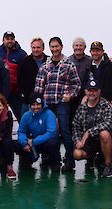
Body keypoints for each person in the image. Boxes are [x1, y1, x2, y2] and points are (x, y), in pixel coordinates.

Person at [35, 37, 81, 172]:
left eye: (57, 46)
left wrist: (70, 95)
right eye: (52, 47)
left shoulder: (69, 64)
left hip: (62, 103)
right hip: (47, 103)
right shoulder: (45, 66)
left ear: (61, 46)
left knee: (66, 131)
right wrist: (37, 103)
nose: (54, 49)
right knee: (50, 132)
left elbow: (77, 84)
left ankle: (69, 160)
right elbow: (39, 86)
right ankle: (54, 159)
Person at [72, 78, 112, 178]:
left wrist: (88, 132)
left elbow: (108, 124)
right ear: (85, 91)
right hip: (89, 142)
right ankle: (91, 158)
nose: (92, 93)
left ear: (99, 91)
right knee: (77, 154)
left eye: (95, 90)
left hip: (104, 141)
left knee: (104, 134)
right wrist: (78, 141)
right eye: (90, 90)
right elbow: (75, 126)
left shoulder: (106, 105)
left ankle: (108, 164)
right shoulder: (81, 107)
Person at [17, 93, 60, 171]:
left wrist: (34, 141)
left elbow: (51, 132)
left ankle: (54, 162)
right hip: (31, 143)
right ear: (30, 105)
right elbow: (21, 131)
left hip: (44, 142)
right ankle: (27, 159)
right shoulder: (26, 115)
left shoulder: (49, 114)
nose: (36, 107)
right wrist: (24, 143)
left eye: (38, 105)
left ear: (42, 104)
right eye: (33, 105)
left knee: (53, 142)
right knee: (17, 144)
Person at [89, 41, 112, 134]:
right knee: (96, 131)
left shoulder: (111, 64)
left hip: (110, 103)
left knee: (111, 131)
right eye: (93, 50)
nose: (95, 53)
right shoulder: (89, 66)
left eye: (98, 50)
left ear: (103, 51)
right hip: (94, 104)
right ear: (90, 52)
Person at [0, 31, 27, 122]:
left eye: (11, 39)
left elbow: (27, 69)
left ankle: (25, 134)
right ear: (3, 40)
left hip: (14, 91)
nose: (9, 41)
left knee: (21, 115)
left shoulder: (21, 54)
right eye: (7, 39)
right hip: (0, 91)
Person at [18, 37, 48, 115]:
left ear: (43, 48)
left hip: (46, 99)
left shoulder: (49, 61)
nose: (36, 50)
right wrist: (27, 96)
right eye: (33, 47)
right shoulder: (24, 62)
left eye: (38, 47)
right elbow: (20, 81)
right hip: (28, 100)